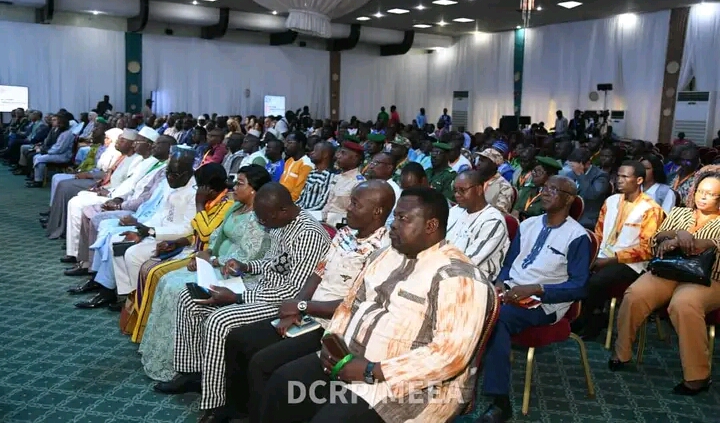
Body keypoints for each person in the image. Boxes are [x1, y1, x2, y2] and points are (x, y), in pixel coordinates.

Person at [259, 187, 497, 423]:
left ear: (430, 226)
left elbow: (449, 355)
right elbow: (348, 306)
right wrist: (332, 343)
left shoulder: (459, 277)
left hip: (409, 385)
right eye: (395, 217)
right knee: (282, 383)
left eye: (403, 219)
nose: (393, 225)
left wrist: (372, 370)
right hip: (349, 358)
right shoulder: (384, 256)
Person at [203, 181, 394, 422]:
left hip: (332, 324)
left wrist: (302, 306)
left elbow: (353, 303)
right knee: (239, 339)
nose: (348, 207)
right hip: (309, 311)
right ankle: (236, 410)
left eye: (356, 204)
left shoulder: (382, 250)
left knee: (263, 365)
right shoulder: (346, 233)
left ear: (377, 211)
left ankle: (258, 417)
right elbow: (318, 273)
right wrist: (296, 308)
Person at [154, 184, 331, 402]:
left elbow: (293, 292)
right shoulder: (280, 222)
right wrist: (246, 266)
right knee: (190, 297)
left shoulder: (308, 235)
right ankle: (192, 373)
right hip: (262, 289)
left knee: (219, 321)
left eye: (264, 218)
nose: (261, 222)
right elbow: (273, 262)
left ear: (283, 210)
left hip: (281, 303)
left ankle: (216, 401)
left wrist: (237, 297)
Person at [137, 165, 272, 382]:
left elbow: (248, 255)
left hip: (235, 272)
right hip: (215, 263)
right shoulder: (235, 207)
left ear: (254, 189)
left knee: (180, 289)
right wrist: (205, 253)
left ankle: (184, 366)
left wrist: (212, 260)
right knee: (167, 279)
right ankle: (164, 354)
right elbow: (216, 236)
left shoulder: (259, 217)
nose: (233, 187)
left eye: (240, 184)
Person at [480, 176, 590, 422]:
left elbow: (579, 287)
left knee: (497, 320)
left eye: (554, 189)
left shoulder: (577, 236)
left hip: (545, 303)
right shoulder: (528, 224)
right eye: (545, 188)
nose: (545, 192)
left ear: (569, 200)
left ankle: (500, 402)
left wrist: (538, 289)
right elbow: (509, 263)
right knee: (470, 304)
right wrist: (501, 282)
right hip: (511, 290)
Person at [611, 165, 720, 395]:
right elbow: (657, 238)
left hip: (710, 279)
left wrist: (691, 242)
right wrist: (677, 234)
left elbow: (709, 245)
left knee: (684, 304)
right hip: (670, 270)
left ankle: (698, 376)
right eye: (701, 191)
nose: (703, 197)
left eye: (711, 194)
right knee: (635, 294)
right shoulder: (680, 213)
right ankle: (622, 352)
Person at [121, 162, 237, 340]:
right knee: (147, 268)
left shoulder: (226, 205)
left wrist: (199, 204)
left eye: (200, 187)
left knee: (155, 273)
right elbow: (194, 232)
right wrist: (176, 243)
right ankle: (144, 325)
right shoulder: (211, 201)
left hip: (207, 255)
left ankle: (150, 329)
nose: (197, 191)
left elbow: (206, 234)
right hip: (192, 249)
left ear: (210, 189)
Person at [75, 147, 198, 309]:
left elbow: (187, 230)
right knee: (118, 240)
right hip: (155, 232)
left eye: (173, 174)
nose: (169, 177)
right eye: (167, 172)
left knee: (132, 254)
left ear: (187, 173)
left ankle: (138, 299)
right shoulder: (172, 183)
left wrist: (150, 232)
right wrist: (141, 230)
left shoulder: (194, 192)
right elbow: (160, 215)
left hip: (175, 241)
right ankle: (123, 295)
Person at [573, 161, 665, 340]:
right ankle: (579, 316)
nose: (619, 180)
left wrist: (612, 259)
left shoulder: (651, 209)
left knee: (597, 281)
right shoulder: (611, 201)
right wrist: (593, 255)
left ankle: (593, 319)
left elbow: (647, 249)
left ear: (639, 180)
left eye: (625, 176)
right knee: (575, 268)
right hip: (604, 255)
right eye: (618, 176)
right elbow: (599, 233)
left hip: (632, 263)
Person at [448, 168, 510, 280]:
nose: (457, 195)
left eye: (462, 190)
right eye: (455, 190)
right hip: (446, 271)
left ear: (479, 189)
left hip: (475, 279)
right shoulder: (455, 211)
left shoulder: (493, 221)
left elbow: (468, 263)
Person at [321, 139, 365, 227]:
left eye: (343, 153)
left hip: (341, 226)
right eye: (339, 152)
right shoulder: (337, 177)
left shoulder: (359, 183)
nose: (338, 156)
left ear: (355, 158)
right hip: (325, 221)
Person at [567, 148, 612, 229]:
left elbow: (592, 195)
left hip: (588, 219)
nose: (572, 169)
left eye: (573, 166)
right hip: (569, 215)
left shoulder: (601, 176)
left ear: (587, 164)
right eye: (571, 166)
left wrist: (581, 175)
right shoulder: (571, 174)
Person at [27, 113, 75, 188]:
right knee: (37, 157)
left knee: (39, 158)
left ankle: (38, 181)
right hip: (56, 153)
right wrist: (45, 150)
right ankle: (38, 179)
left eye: (55, 120)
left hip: (63, 156)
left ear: (61, 122)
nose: (52, 121)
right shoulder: (58, 131)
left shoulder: (67, 134)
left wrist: (46, 151)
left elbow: (60, 149)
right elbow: (53, 145)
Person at [512, 156, 561, 220]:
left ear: (550, 176)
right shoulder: (527, 190)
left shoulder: (551, 198)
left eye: (538, 171)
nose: (533, 173)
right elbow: (515, 212)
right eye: (534, 170)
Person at [296, 141, 334, 212]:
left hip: (314, 214)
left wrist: (301, 212)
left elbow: (322, 204)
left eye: (315, 150)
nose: (311, 153)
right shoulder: (312, 173)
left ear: (325, 154)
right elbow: (301, 197)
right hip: (302, 212)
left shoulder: (330, 176)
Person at [279, 131, 315, 201]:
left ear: (300, 144)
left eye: (289, 142)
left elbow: (297, 194)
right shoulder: (289, 161)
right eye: (285, 142)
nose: (285, 145)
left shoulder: (306, 164)